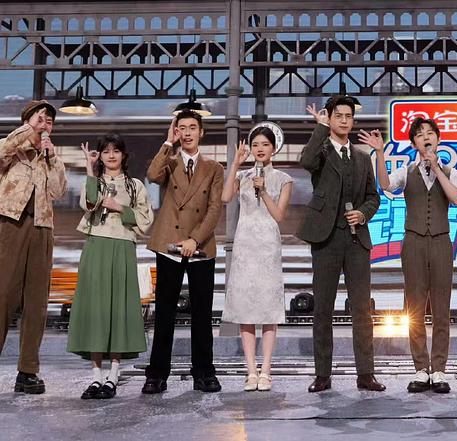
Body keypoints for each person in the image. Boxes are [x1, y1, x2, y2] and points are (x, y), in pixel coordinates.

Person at [0, 100, 68, 397]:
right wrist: (28, 130)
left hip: (42, 227)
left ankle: (27, 371)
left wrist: (52, 156)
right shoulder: (14, 149)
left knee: (36, 301)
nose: (45, 123)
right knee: (2, 297)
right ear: (27, 121)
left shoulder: (51, 156)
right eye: (40, 118)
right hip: (13, 223)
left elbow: (59, 190)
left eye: (49, 120)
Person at [361, 117, 457, 394]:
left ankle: (439, 369)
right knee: (415, 308)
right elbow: (385, 185)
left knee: (441, 309)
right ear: (414, 143)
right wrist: (380, 153)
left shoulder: (451, 172)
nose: (426, 137)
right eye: (420, 135)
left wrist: (437, 168)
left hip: (441, 242)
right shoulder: (406, 172)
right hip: (414, 242)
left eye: (430, 133)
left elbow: (456, 199)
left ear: (438, 139)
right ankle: (420, 368)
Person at [298, 95, 385, 393]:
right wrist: (320, 127)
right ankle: (322, 374)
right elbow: (306, 162)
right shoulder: (320, 150)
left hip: (357, 239)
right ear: (330, 118)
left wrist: (363, 213)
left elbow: (374, 197)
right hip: (326, 239)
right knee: (323, 308)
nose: (344, 120)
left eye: (349, 116)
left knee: (362, 310)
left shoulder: (362, 157)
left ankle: (366, 374)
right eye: (339, 116)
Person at [141, 110, 225, 394]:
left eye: (192, 128)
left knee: (202, 313)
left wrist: (195, 239)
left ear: (201, 132)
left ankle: (204, 372)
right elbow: (152, 175)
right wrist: (168, 143)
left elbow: (214, 208)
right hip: (168, 244)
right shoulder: (170, 161)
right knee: (165, 313)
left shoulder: (214, 168)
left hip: (201, 246)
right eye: (182, 128)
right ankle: (156, 374)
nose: (187, 133)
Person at [69, 133, 155, 400]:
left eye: (115, 150)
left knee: (118, 307)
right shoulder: (94, 181)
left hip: (122, 247)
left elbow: (146, 219)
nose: (111, 155)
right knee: (95, 307)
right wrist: (89, 167)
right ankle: (96, 376)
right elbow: (89, 203)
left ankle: (113, 375)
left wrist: (119, 207)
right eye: (105, 151)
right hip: (96, 245)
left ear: (123, 155)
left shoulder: (135, 185)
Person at [221, 123, 293, 392]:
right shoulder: (242, 175)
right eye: (255, 145)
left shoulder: (284, 179)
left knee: (268, 310)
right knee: (246, 310)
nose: (260, 149)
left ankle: (266, 370)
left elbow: (279, 215)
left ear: (274, 148)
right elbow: (225, 197)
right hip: (245, 246)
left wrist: (263, 191)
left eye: (265, 144)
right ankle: (250, 370)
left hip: (267, 247)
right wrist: (235, 164)